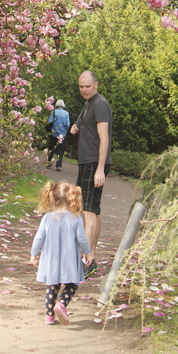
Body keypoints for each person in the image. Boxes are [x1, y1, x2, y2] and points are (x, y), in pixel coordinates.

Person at [29, 181, 92, 326]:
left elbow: (39, 237)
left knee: (52, 286)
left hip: (51, 259)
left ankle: (49, 316)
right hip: (69, 260)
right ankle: (62, 304)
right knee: (72, 284)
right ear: (70, 199)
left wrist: (34, 254)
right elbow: (82, 239)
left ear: (52, 199)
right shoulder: (76, 218)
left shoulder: (47, 218)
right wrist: (87, 253)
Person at [70, 71, 112, 279]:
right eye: (81, 86)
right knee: (93, 211)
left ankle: (87, 260)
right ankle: (91, 260)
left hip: (94, 163)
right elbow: (93, 132)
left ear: (96, 84)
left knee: (87, 211)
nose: (84, 90)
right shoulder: (89, 104)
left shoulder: (100, 104)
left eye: (87, 86)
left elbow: (104, 139)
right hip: (87, 162)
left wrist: (100, 169)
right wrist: (78, 129)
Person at [46, 99, 70, 171]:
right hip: (62, 134)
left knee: (51, 148)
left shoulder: (54, 112)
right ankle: (58, 166)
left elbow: (49, 121)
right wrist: (65, 131)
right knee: (60, 150)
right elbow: (68, 124)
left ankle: (49, 163)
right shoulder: (66, 113)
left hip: (54, 132)